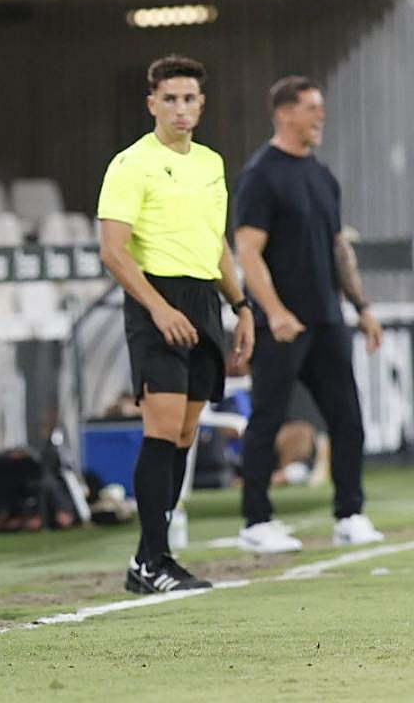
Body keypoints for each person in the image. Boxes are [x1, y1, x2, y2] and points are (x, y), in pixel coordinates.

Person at [97, 54, 254, 594]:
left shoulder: (210, 163)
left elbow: (216, 245)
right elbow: (113, 252)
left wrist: (242, 305)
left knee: (185, 434)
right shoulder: (131, 164)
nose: (181, 108)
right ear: (152, 104)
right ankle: (152, 558)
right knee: (161, 431)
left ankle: (151, 559)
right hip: (155, 298)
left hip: (203, 300)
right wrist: (159, 308)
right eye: (170, 99)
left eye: (189, 99)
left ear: (201, 104)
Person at [233, 76, 385, 552]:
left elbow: (338, 248)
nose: (322, 117)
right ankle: (256, 522)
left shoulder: (322, 176)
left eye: (321, 108)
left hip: (325, 318)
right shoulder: (261, 175)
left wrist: (361, 307)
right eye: (313, 109)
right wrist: (274, 312)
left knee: (348, 417)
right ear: (284, 114)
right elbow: (248, 253)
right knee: (267, 419)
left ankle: (350, 514)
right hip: (280, 324)